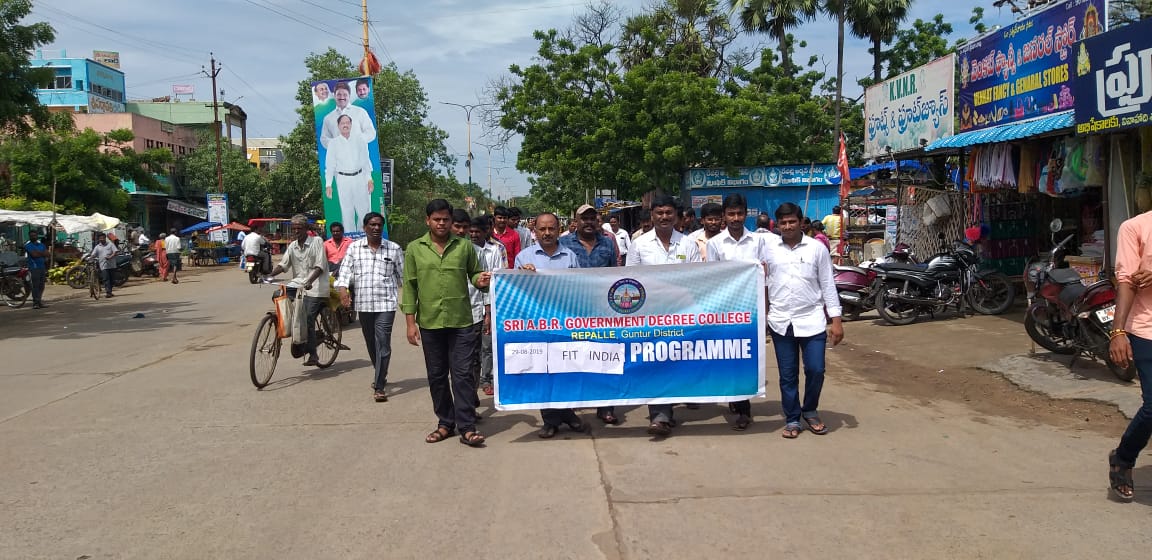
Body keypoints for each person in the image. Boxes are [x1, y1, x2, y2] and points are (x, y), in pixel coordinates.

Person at [402, 199, 493, 448]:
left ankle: (467, 427)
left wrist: (480, 280)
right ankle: (445, 423)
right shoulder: (415, 249)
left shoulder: (464, 247)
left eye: (446, 219)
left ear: (451, 222)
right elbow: (409, 287)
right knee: (437, 375)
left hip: (461, 321)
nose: (441, 223)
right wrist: (410, 323)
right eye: (437, 219)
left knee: (462, 375)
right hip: (430, 323)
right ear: (427, 221)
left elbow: (474, 273)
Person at [763, 203, 843, 439]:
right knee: (788, 375)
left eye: (792, 221)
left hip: (812, 319)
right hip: (780, 321)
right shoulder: (768, 250)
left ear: (801, 222)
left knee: (816, 369)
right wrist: (763, 317)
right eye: (783, 222)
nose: (788, 226)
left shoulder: (817, 248)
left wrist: (836, 320)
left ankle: (810, 410)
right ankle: (792, 418)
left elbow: (828, 284)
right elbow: (762, 283)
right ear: (777, 225)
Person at [627, 194, 702, 437]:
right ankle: (659, 415)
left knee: (677, 362)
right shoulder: (639, 244)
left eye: (669, 212)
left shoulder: (688, 244)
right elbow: (630, 279)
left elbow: (697, 278)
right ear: (652, 216)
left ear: (676, 216)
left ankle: (670, 408)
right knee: (655, 363)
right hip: (650, 315)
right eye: (659, 213)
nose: (664, 217)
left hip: (682, 314)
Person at [513, 213, 590, 438]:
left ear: (558, 229)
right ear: (535, 231)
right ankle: (551, 420)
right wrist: (522, 276)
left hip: (565, 323)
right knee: (544, 371)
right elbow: (514, 290)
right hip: (537, 324)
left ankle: (567, 414)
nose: (547, 233)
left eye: (551, 229)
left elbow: (580, 288)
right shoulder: (524, 257)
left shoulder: (570, 256)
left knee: (566, 370)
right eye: (542, 229)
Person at [706, 194, 773, 431]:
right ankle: (738, 401)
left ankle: (743, 408)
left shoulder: (758, 242)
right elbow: (712, 279)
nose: (735, 218)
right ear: (724, 216)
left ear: (746, 214)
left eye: (739, 213)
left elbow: (765, 277)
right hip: (726, 310)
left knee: (747, 358)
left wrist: (765, 309)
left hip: (751, 310)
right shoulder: (715, 244)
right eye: (731, 214)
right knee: (730, 357)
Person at [560, 203, 622, 425]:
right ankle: (570, 406)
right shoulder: (564, 243)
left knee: (605, 357)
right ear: (576, 222)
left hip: (602, 309)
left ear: (597, 220)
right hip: (573, 309)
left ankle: (606, 407)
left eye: (591, 218)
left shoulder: (608, 242)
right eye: (583, 218)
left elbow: (616, 273)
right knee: (572, 358)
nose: (588, 222)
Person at [1105, 213, 1152, 502]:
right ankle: (1123, 458)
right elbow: (1126, 281)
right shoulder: (1134, 227)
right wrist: (1118, 332)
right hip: (1147, 329)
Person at [336, 212, 403, 402]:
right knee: (371, 343)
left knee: (383, 342)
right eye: (372, 225)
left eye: (379, 225)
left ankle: (379, 386)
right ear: (365, 227)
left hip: (386, 304)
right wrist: (343, 291)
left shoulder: (394, 249)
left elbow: (403, 276)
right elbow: (345, 272)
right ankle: (380, 371)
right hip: (364, 304)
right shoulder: (354, 248)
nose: (376, 228)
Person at [268, 215, 330, 368]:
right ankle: (294, 331)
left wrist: (309, 281)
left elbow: (320, 266)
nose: (296, 231)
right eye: (294, 228)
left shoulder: (317, 241)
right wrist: (270, 275)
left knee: (307, 317)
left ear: (306, 229)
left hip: (315, 287)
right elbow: (283, 265)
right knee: (278, 296)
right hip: (298, 285)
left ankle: (313, 354)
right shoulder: (292, 246)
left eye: (299, 228)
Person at [470, 215, 507, 396]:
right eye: (471, 231)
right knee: (470, 349)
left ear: (486, 232)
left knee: (487, 346)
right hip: (468, 305)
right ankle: (472, 384)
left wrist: (489, 310)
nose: (473, 235)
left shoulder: (495, 250)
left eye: (477, 231)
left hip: (488, 304)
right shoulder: (464, 250)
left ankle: (487, 379)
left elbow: (497, 279)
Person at [324, 114, 375, 229]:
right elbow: (330, 165)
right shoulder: (333, 143)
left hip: (360, 177)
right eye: (343, 123)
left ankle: (364, 236)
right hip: (343, 179)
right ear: (338, 126)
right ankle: (349, 237)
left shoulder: (360, 140)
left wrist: (369, 179)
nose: (345, 125)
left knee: (364, 210)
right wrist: (328, 184)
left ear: (351, 125)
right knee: (347, 211)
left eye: (347, 123)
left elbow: (365, 161)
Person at [319, 82, 376, 150]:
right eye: (339, 94)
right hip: (338, 155)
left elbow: (371, 132)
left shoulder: (360, 112)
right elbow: (324, 139)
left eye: (345, 94)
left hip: (360, 155)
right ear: (334, 96)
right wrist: (336, 144)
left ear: (349, 95)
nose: (342, 97)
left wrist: (357, 140)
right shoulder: (328, 118)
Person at [24, 230, 49, 309]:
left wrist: (39, 253)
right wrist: (42, 253)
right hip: (34, 268)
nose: (33, 237)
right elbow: (34, 255)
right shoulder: (28, 245)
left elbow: (47, 254)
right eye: (31, 236)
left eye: (34, 235)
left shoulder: (42, 245)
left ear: (37, 236)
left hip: (42, 267)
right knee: (35, 286)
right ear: (29, 237)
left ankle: (39, 301)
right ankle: (35, 303)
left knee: (42, 286)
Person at [90, 232, 118, 298]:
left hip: (112, 265)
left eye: (103, 238)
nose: (101, 239)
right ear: (99, 239)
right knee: (106, 279)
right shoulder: (97, 247)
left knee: (112, 280)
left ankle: (110, 291)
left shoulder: (110, 244)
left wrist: (110, 257)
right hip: (103, 265)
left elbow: (115, 252)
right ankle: (108, 292)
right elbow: (93, 254)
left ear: (105, 238)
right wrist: (91, 257)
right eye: (100, 238)